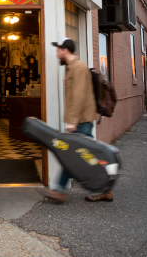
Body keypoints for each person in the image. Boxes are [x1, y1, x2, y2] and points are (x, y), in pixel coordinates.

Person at [40, 38, 113, 203]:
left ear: (65, 50)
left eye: (58, 50)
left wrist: (72, 121)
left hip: (82, 122)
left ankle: (60, 190)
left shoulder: (78, 68)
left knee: (77, 157)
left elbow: (79, 96)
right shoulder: (72, 68)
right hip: (81, 121)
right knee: (81, 157)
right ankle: (102, 190)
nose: (57, 53)